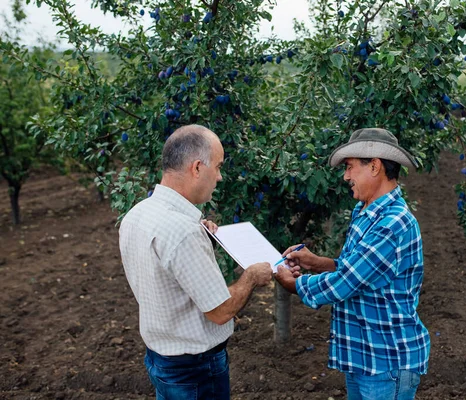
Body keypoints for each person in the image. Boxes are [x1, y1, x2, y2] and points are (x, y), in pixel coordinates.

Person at [119, 124, 273, 400]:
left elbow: (165, 274)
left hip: (161, 358)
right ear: (198, 168)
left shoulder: (137, 215)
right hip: (194, 369)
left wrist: (202, 244)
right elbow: (220, 311)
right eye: (218, 166)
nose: (220, 177)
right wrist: (251, 276)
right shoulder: (183, 231)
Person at [275, 128, 430, 400]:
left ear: (374, 166)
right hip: (364, 355)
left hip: (386, 361)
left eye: (349, 167)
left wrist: (294, 284)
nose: (346, 176)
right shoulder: (365, 211)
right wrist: (317, 262)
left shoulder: (393, 223)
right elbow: (357, 269)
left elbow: (346, 283)